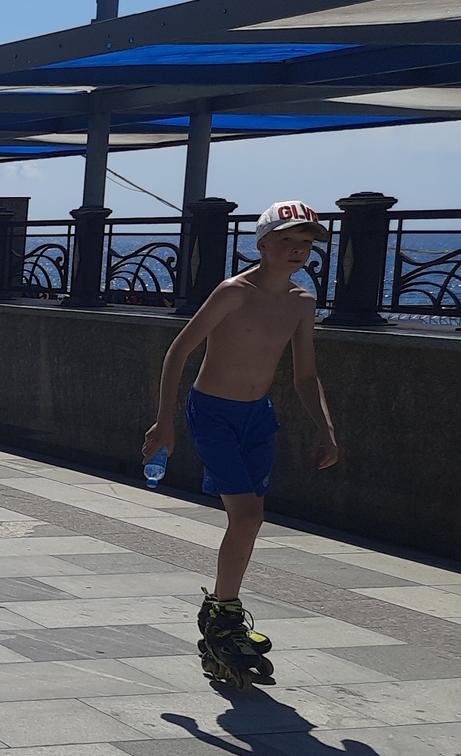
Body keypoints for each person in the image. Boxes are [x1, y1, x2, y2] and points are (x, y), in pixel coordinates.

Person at [141, 199, 340, 687]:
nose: (298, 250)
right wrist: (163, 423)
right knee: (248, 515)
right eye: (288, 240)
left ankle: (222, 611)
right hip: (212, 414)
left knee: (251, 519)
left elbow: (306, 374)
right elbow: (178, 351)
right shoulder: (234, 293)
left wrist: (326, 426)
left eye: (307, 243)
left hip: (258, 417)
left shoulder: (301, 302)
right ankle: (223, 614)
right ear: (263, 243)